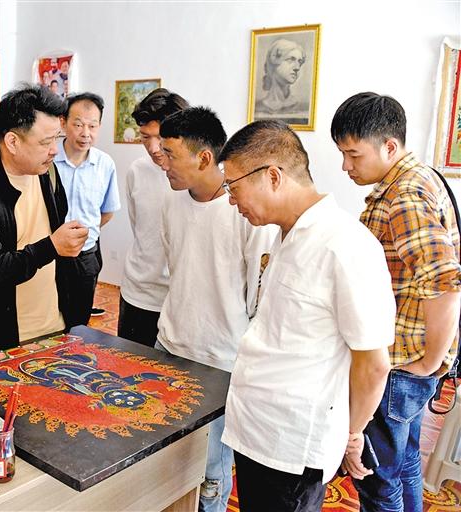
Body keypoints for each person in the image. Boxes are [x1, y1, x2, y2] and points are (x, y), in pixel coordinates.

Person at [218, 120, 395, 512]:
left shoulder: (346, 245)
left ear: (273, 176)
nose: (231, 200)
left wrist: (352, 433)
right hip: (256, 428)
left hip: (292, 445)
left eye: (233, 187)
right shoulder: (283, 233)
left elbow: (373, 362)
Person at [331, 92, 461, 512]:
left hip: (400, 365)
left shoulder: (404, 195)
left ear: (389, 146)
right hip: (408, 362)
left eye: (353, 154)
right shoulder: (417, 180)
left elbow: (445, 283)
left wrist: (429, 362)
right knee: (404, 465)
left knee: (377, 479)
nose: (345, 166)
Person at [157, 107, 277, 512]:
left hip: (220, 358)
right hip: (169, 344)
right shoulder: (172, 202)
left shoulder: (244, 211)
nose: (161, 161)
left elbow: (259, 297)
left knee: (210, 469)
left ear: (204, 158)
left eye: (170, 154)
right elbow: (177, 269)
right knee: (166, 457)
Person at [0, 85, 88, 360]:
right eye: (45, 143)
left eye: (56, 139)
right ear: (12, 142)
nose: (54, 151)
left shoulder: (47, 173)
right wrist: (51, 247)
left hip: (54, 323)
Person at [118, 88, 189, 347]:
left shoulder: (197, 179)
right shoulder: (137, 171)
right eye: (145, 137)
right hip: (137, 294)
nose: (152, 148)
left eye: (160, 137)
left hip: (179, 299)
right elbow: (139, 227)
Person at [54, 92, 121, 326]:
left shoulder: (105, 164)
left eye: (92, 126)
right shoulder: (48, 159)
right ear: (63, 123)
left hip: (86, 255)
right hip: (49, 254)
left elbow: (107, 211)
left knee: (79, 323)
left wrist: (83, 232)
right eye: (78, 124)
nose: (86, 133)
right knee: (47, 321)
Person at [255, 38, 306, 116]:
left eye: (299, 62)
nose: (297, 67)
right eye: (291, 60)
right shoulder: (257, 108)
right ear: (274, 62)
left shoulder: (303, 107)